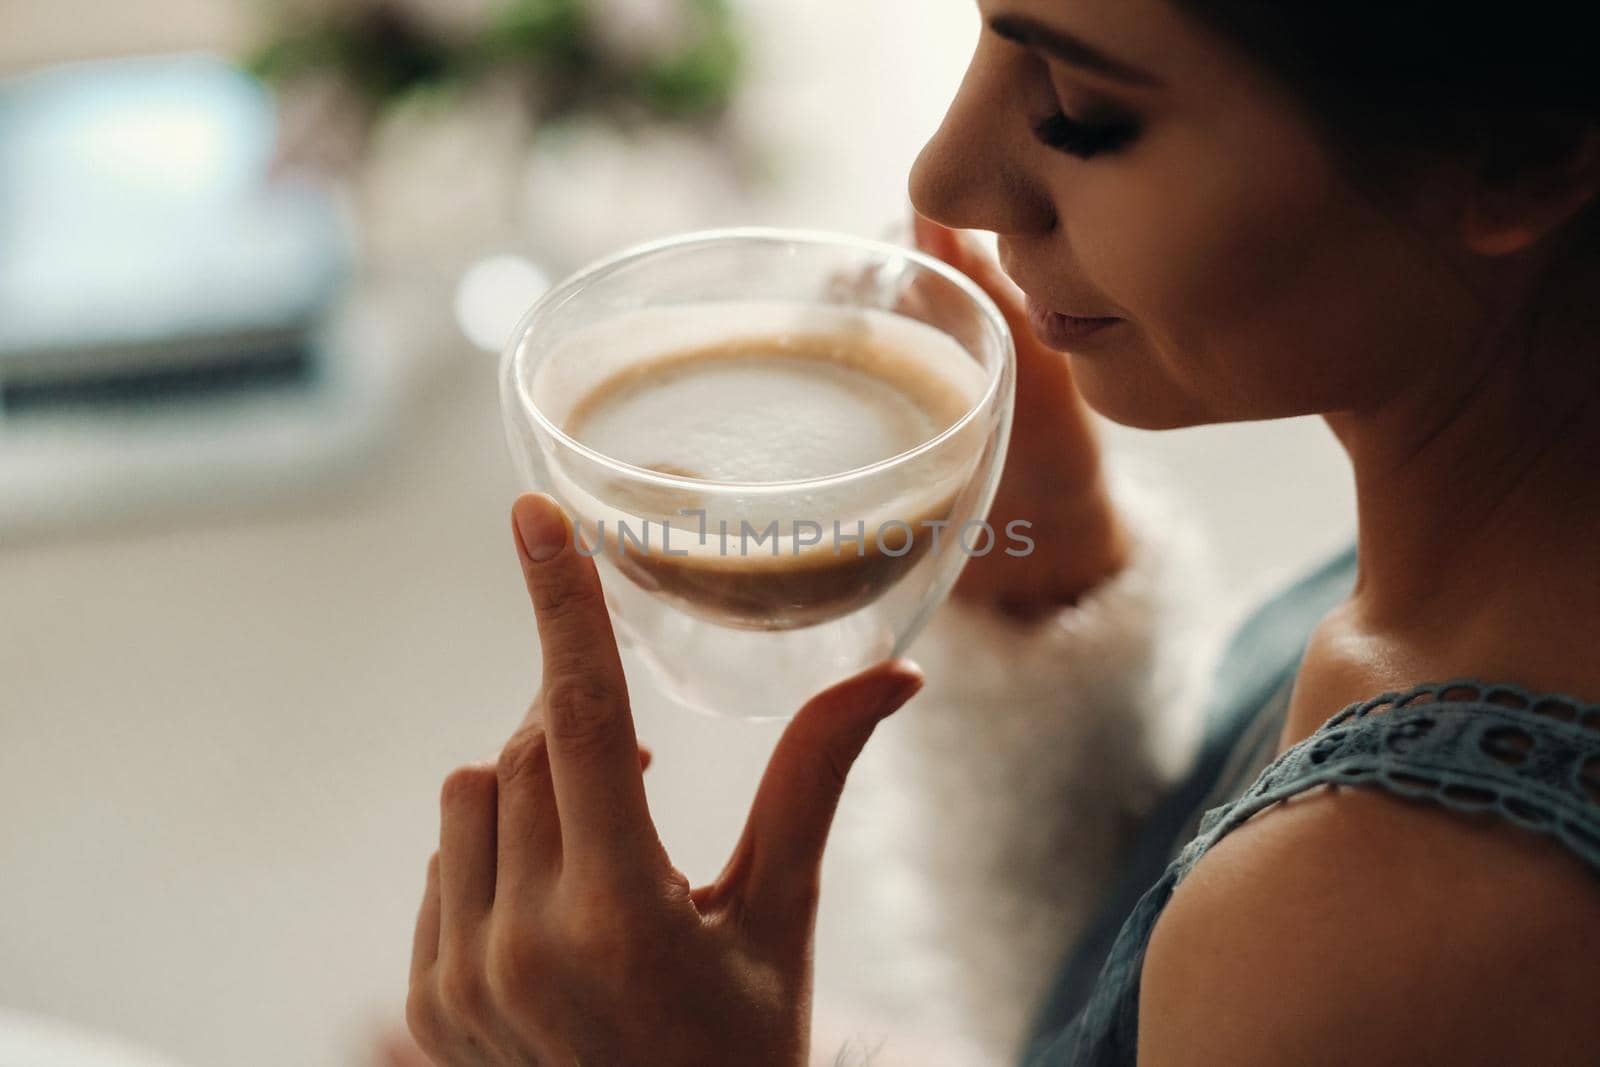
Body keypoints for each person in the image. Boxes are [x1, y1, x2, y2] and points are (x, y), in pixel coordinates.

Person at [401, 0, 1600, 1063]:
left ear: (1518, 156)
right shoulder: (1481, 561)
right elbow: (1136, 997)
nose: (945, 176)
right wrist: (1051, 586)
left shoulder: (1397, 930)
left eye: (1080, 108)